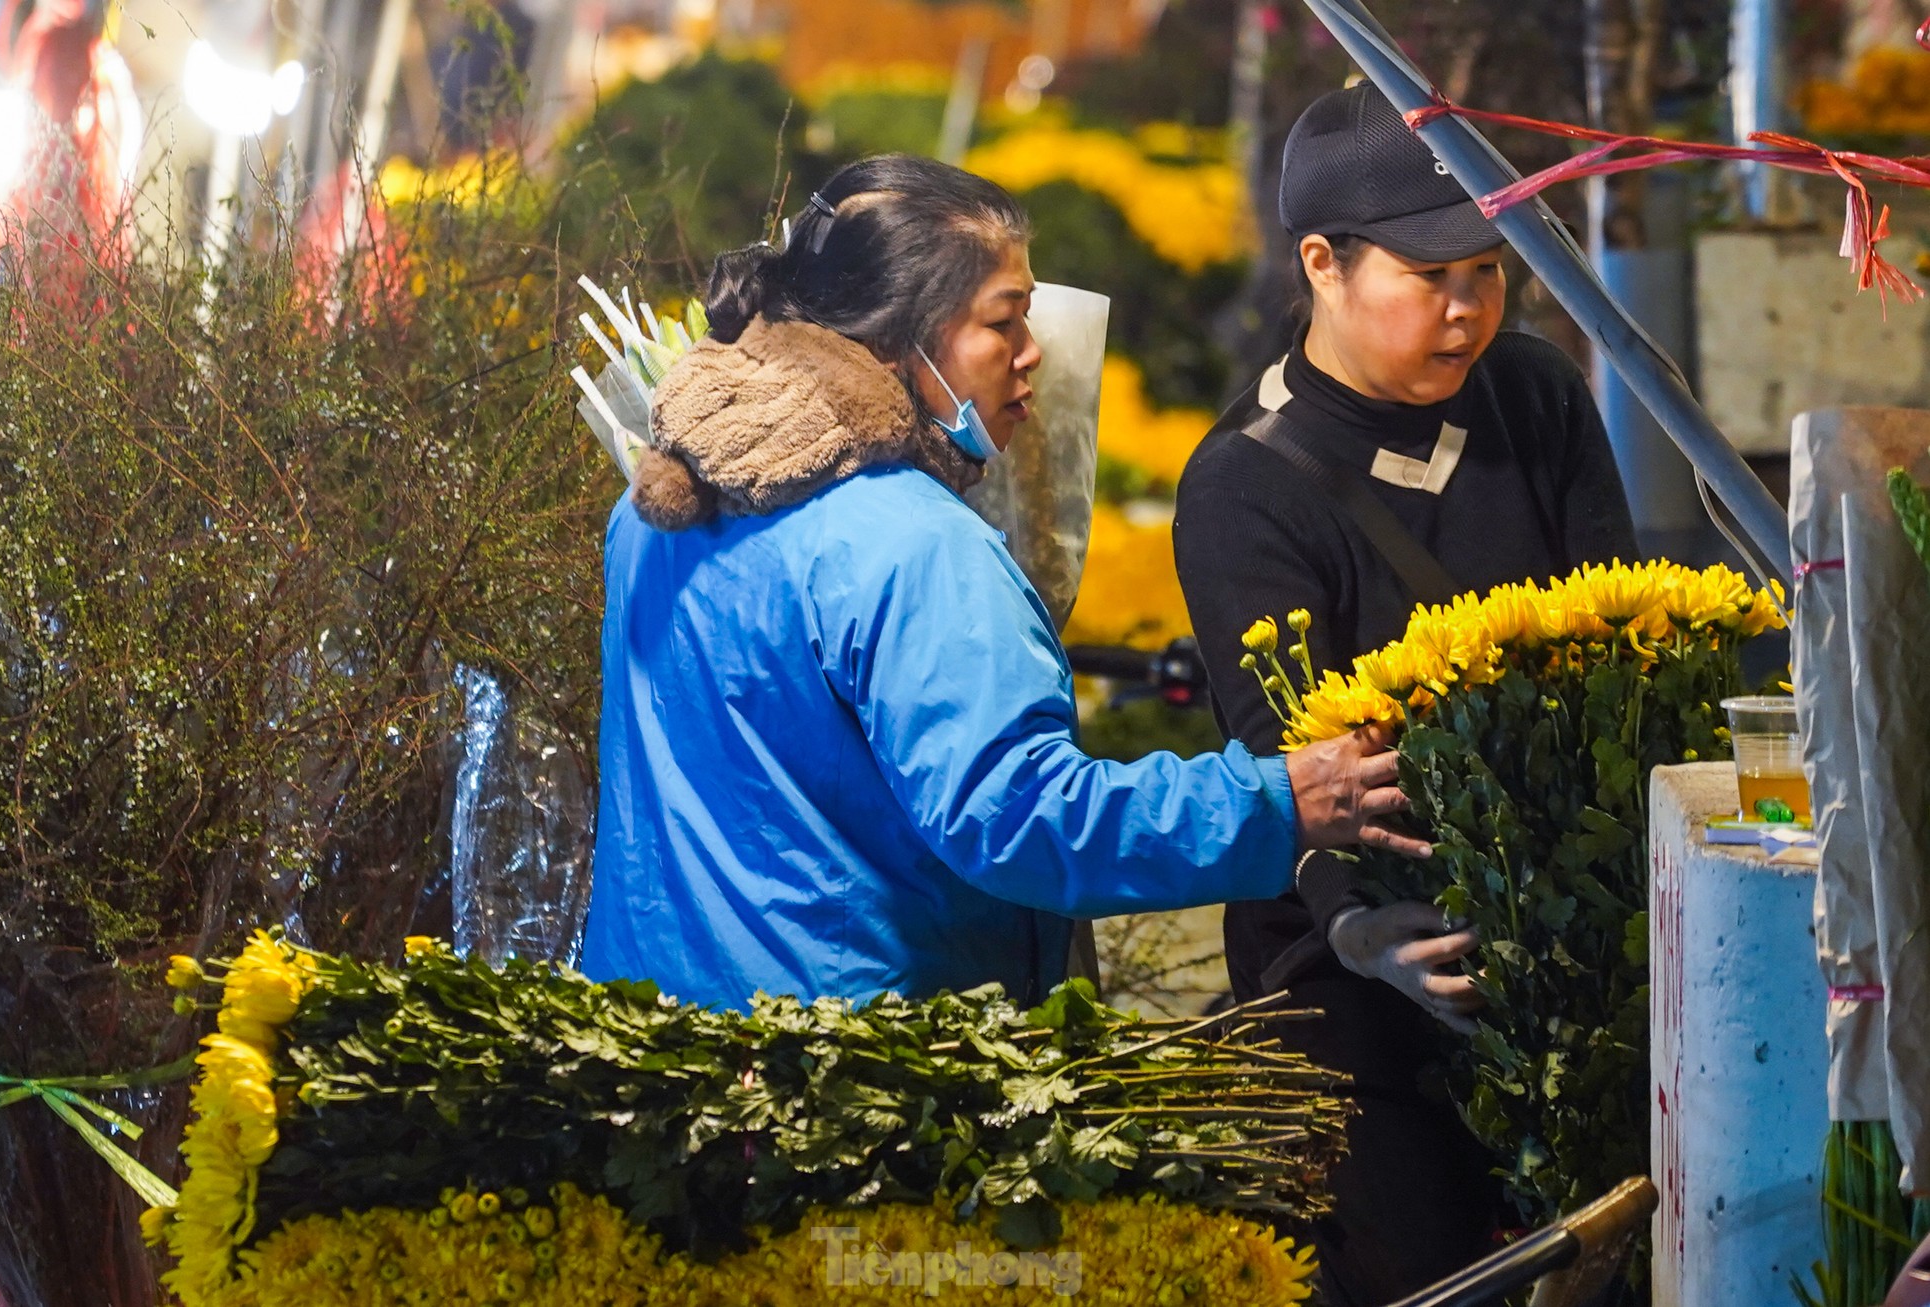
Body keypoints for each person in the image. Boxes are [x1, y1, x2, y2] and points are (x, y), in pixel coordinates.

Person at [580, 154, 1427, 1012]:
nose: (1034, 356)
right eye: (1005, 321)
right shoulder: (915, 545)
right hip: (836, 1071)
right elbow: (1021, 817)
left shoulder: (654, 508)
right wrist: (1278, 803)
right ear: (898, 333)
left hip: (660, 1044)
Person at [1172, 84, 1640, 1307]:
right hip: (1360, 994)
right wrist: (1357, 924)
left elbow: (1611, 637)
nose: (1468, 308)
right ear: (1321, 263)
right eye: (1431, 274)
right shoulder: (1244, 485)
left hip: (1562, 952)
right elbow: (1289, 749)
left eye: (1491, 271)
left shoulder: (1532, 396)